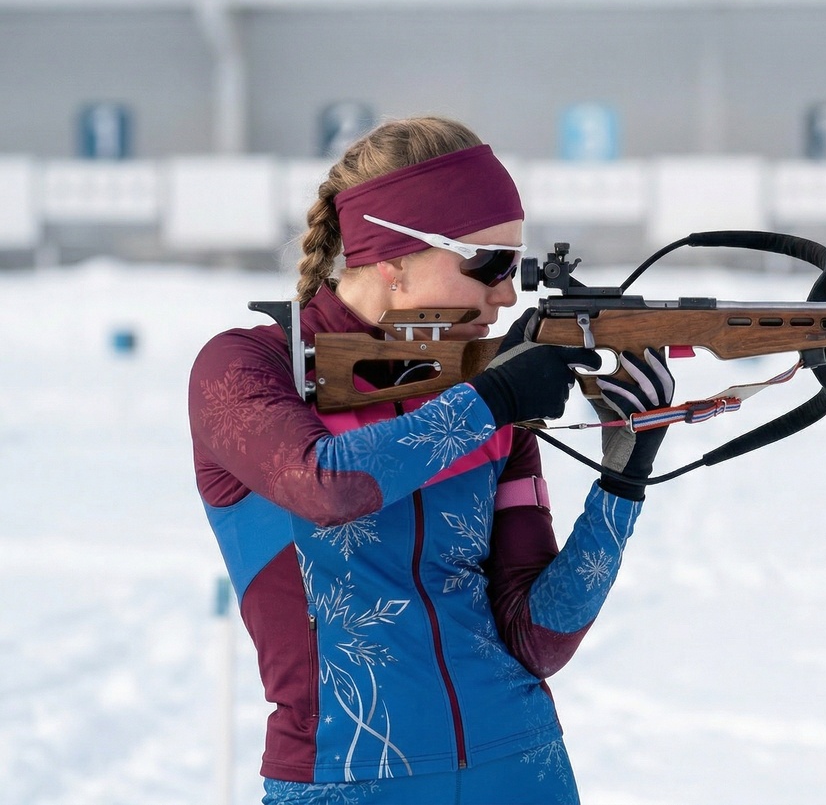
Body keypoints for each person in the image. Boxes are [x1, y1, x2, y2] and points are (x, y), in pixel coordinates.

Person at [188, 116, 674, 805]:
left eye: (515, 265)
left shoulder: (483, 391)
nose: (508, 293)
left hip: (522, 766)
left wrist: (622, 482)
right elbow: (325, 484)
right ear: (393, 258)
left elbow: (538, 637)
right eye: (489, 263)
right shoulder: (246, 368)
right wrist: (493, 399)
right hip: (343, 780)